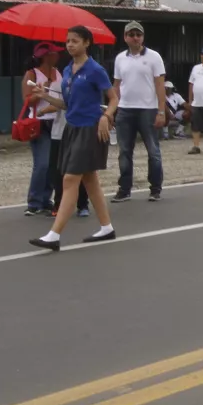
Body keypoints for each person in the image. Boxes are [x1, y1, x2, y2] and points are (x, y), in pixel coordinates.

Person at [29, 25, 119, 250]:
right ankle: (107, 228)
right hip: (72, 129)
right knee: (90, 180)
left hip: (90, 129)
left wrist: (106, 116)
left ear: (87, 43)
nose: (70, 44)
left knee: (70, 180)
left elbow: (114, 98)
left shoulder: (95, 69)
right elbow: (66, 105)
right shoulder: (67, 70)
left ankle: (54, 235)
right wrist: (45, 96)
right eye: (68, 41)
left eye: (75, 41)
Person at [111, 21, 166, 202]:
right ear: (125, 37)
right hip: (125, 109)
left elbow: (160, 85)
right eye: (131, 34)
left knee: (153, 150)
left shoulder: (154, 57)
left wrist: (161, 111)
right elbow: (117, 86)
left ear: (142, 37)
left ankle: (155, 188)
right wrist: (112, 110)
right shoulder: (120, 58)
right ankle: (124, 189)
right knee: (125, 151)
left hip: (148, 110)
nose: (135, 38)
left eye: (138, 34)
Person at [22, 42, 62, 216]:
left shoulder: (58, 73)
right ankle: (34, 201)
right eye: (54, 53)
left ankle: (46, 199)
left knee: (53, 164)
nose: (58, 56)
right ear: (46, 56)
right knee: (42, 163)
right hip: (39, 122)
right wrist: (38, 92)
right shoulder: (32, 74)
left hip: (56, 121)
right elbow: (27, 100)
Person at [41, 75, 90, 218]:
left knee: (79, 170)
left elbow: (66, 104)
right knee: (57, 172)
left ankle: (83, 205)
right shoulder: (56, 85)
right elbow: (55, 106)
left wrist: (44, 107)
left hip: (77, 131)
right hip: (58, 133)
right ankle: (58, 205)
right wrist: (43, 95)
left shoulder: (83, 82)